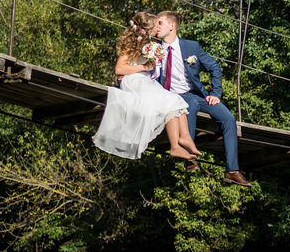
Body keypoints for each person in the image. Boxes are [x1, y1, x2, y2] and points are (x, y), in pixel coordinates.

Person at [151, 10, 252, 186]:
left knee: (228, 119)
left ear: (172, 26)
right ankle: (188, 156)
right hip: (170, 96)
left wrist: (215, 94)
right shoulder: (153, 47)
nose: (156, 27)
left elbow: (214, 67)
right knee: (188, 103)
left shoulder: (191, 47)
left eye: (159, 23)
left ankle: (232, 170)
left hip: (197, 95)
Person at [93, 12, 203, 161]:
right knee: (170, 103)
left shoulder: (149, 43)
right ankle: (177, 145)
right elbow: (119, 69)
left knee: (177, 102)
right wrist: (144, 68)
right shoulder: (134, 42)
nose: (158, 28)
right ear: (148, 28)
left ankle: (183, 139)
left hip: (144, 80)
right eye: (156, 25)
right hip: (134, 82)